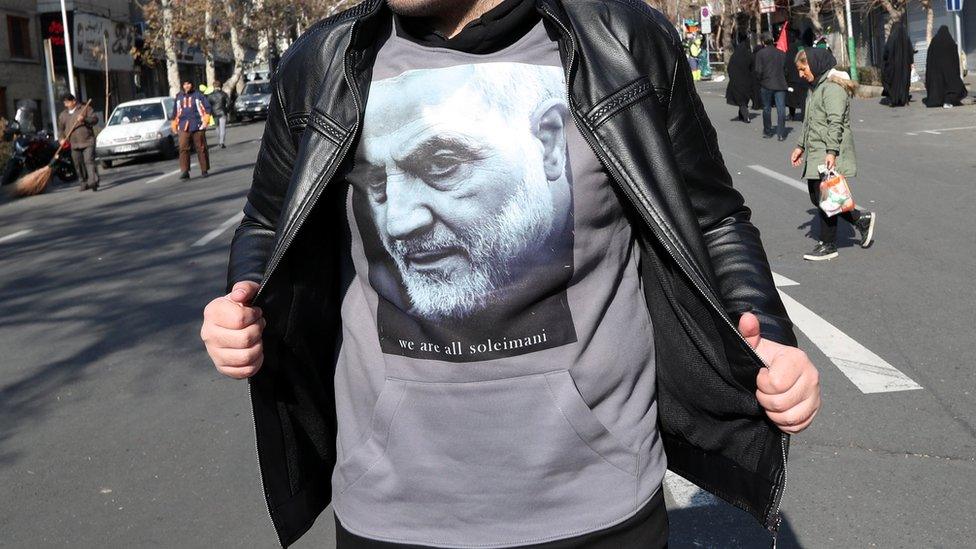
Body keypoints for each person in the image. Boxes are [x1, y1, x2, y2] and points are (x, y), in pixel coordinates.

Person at [201, 1, 822, 547]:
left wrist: (768, 335)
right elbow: (265, 221)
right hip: (389, 512)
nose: (405, 217)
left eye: (442, 164)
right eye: (380, 181)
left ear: (549, 144)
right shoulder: (321, 65)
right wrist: (242, 301)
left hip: (601, 507)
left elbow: (713, 220)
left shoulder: (622, 41)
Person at [790, 48, 877, 261]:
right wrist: (800, 146)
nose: (801, 75)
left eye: (803, 69)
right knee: (818, 195)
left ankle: (828, 245)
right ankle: (860, 219)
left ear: (815, 64)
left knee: (825, 197)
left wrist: (832, 151)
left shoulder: (832, 89)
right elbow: (809, 121)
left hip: (828, 149)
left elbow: (835, 122)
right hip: (816, 148)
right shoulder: (817, 88)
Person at [57, 93, 99, 192]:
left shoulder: (85, 109)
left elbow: (95, 120)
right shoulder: (63, 115)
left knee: (89, 161)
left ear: (74, 101)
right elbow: (60, 130)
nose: (66, 104)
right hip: (74, 144)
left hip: (87, 141)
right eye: (65, 102)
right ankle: (83, 182)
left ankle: (93, 181)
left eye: (67, 102)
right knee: (78, 164)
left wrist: (84, 119)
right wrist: (61, 139)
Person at [172, 80, 211, 179]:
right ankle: (185, 171)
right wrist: (174, 124)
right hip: (183, 126)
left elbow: (207, 108)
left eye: (189, 83)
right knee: (183, 148)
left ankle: (204, 169)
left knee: (201, 148)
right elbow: (175, 112)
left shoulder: (198, 95)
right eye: (185, 84)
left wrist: (205, 121)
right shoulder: (179, 97)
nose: (187, 86)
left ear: (192, 85)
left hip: (198, 125)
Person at [754, 32, 789, 141]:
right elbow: (786, 70)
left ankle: (768, 131)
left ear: (763, 42)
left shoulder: (760, 54)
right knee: (781, 109)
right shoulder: (781, 53)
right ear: (773, 40)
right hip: (780, 84)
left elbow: (758, 71)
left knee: (767, 108)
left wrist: (760, 80)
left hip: (766, 84)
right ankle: (781, 133)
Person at [923, 26, 968, 108]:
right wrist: (956, 71)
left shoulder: (934, 41)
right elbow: (955, 60)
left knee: (937, 85)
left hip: (935, 72)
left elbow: (929, 58)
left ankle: (939, 100)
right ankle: (948, 100)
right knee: (955, 86)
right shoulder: (951, 42)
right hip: (949, 71)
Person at [881, 23, 914, 107]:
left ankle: (893, 100)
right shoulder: (906, 38)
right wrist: (910, 62)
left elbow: (886, 52)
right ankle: (904, 99)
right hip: (905, 67)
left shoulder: (891, 38)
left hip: (893, 67)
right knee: (904, 82)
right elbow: (911, 52)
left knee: (893, 82)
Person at [726, 38, 756, 123]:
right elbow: (753, 69)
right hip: (747, 81)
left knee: (740, 100)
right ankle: (742, 115)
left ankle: (745, 116)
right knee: (744, 100)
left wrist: (732, 77)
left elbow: (729, 68)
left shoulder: (734, 56)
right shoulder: (749, 55)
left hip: (736, 82)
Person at [784, 30, 808, 121]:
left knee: (791, 97)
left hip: (792, 77)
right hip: (803, 75)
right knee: (803, 97)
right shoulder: (803, 47)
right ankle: (804, 115)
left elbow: (787, 62)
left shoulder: (791, 47)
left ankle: (792, 115)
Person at [207, 80, 230, 148]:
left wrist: (210, 113)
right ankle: (221, 142)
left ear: (213, 87)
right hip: (223, 112)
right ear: (220, 86)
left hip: (214, 113)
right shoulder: (224, 94)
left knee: (217, 127)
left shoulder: (210, 95)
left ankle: (219, 140)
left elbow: (208, 105)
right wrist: (227, 110)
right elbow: (229, 103)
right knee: (222, 127)